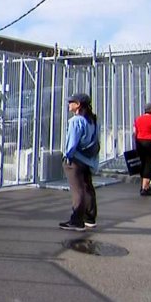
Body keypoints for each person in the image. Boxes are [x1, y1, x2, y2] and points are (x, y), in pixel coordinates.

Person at [59, 93, 99, 232]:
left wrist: (67, 156)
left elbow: (72, 142)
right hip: (87, 159)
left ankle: (76, 220)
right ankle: (90, 218)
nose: (69, 104)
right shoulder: (92, 120)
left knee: (78, 190)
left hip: (75, 159)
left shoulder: (75, 121)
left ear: (78, 105)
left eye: (72, 102)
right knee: (88, 188)